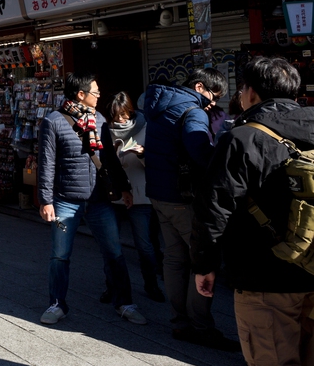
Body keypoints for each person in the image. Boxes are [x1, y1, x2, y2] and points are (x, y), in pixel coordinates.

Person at [193, 57, 314, 366]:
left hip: (265, 276)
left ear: (251, 94)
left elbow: (214, 209)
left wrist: (204, 264)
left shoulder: (242, 138)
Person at [37, 72, 145, 326]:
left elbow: (109, 159)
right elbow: (46, 164)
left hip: (99, 198)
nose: (99, 96)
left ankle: (124, 302)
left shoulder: (99, 119)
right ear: (81, 94)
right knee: (60, 255)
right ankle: (57, 304)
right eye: (95, 92)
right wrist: (45, 200)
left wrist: (124, 187)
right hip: (65, 199)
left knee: (114, 251)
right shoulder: (53, 121)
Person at [142, 68, 237, 350]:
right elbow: (200, 153)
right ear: (199, 86)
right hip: (184, 199)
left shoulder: (159, 105)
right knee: (203, 261)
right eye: (213, 97)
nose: (212, 105)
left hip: (158, 194)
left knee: (173, 258)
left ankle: (180, 322)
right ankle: (201, 326)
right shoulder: (193, 111)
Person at [104, 92, 164, 303]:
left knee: (145, 245)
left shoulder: (145, 127)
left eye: (123, 115)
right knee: (110, 245)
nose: (120, 120)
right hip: (114, 194)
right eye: (115, 116)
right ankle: (112, 287)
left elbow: (156, 164)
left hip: (140, 194)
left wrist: (141, 154)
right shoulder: (105, 130)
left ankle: (151, 285)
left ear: (130, 111)